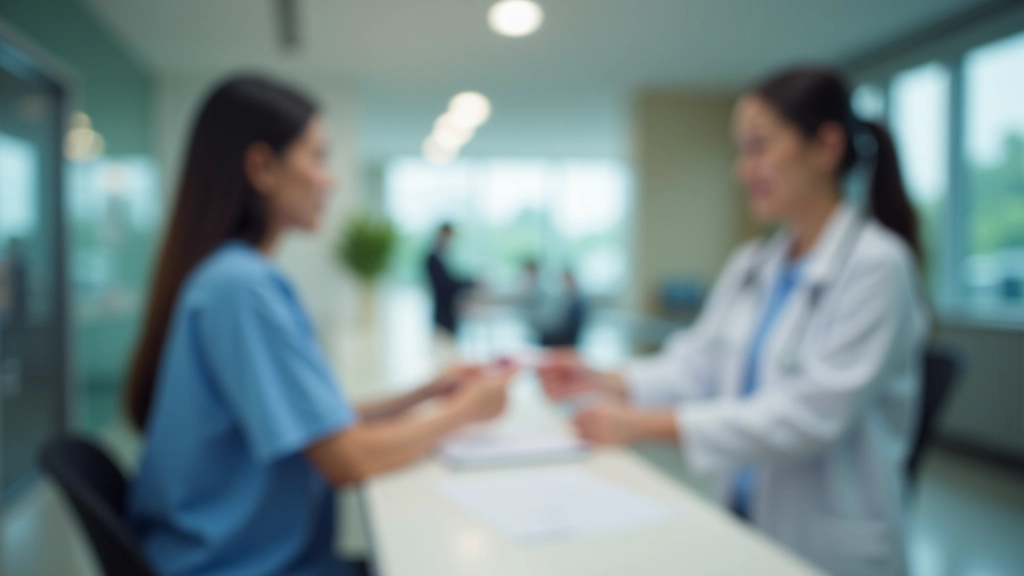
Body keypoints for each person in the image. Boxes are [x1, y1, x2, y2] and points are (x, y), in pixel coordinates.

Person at [538, 67, 929, 576]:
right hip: (747, 518)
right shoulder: (753, 263)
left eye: (759, 147)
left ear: (825, 147)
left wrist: (643, 425)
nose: (743, 170)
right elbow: (696, 365)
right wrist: (601, 378)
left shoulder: (878, 265)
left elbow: (811, 415)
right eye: (742, 151)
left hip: (829, 546)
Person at [124, 76, 514, 576]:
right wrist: (463, 412)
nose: (328, 180)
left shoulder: (229, 277)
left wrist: (429, 392)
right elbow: (345, 460)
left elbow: (318, 421)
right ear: (262, 167)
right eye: (317, 157)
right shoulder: (242, 288)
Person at [424, 223, 475, 336]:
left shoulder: (443, 257)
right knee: (444, 343)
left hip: (450, 311)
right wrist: (470, 282)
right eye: (448, 236)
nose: (449, 241)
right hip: (443, 313)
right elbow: (446, 284)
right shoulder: (433, 259)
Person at [539, 270, 587, 348]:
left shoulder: (576, 299)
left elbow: (567, 324)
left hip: (565, 336)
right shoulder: (572, 297)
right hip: (565, 333)